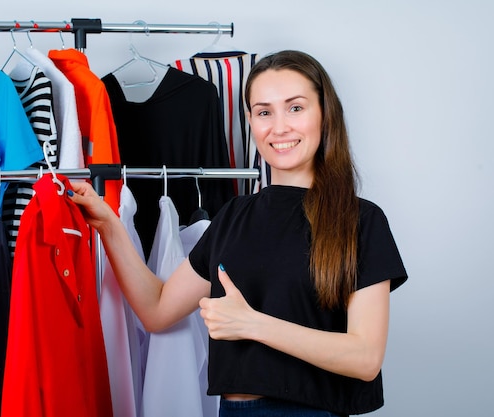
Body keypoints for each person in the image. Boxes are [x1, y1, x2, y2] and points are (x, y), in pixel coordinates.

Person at [67, 50, 407, 417]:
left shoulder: (361, 220)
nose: (279, 127)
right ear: (250, 121)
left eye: (295, 108)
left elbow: (365, 357)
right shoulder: (233, 216)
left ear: (325, 113)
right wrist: (109, 227)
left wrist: (253, 324)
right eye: (264, 112)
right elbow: (158, 310)